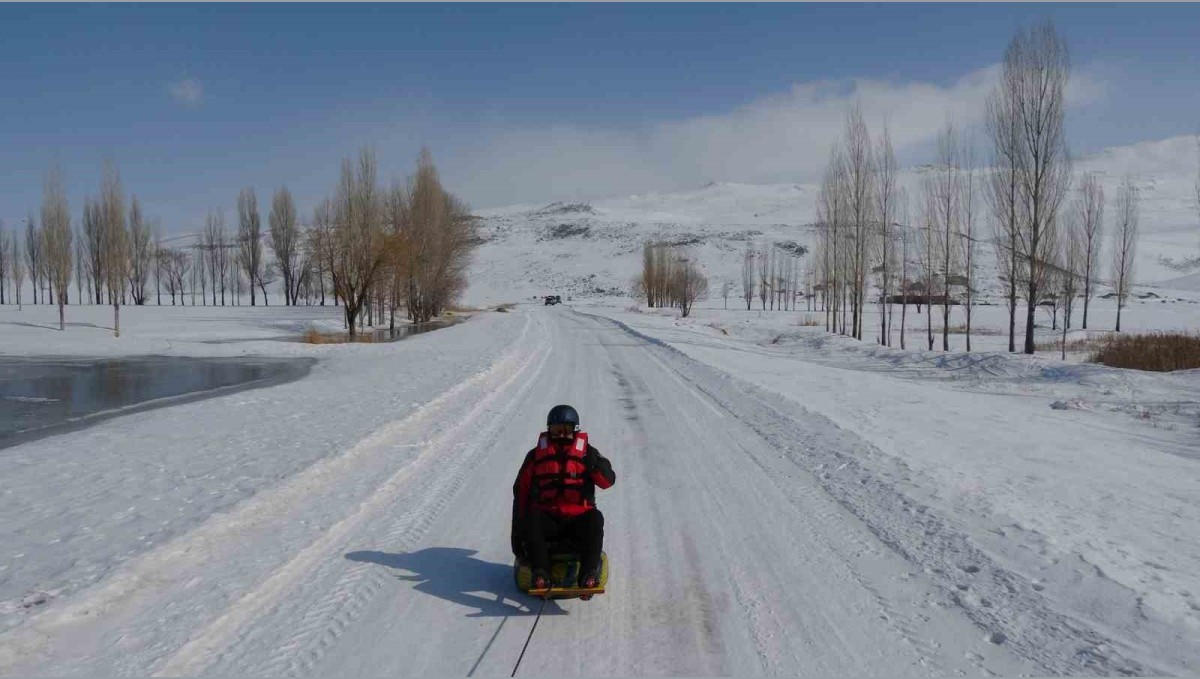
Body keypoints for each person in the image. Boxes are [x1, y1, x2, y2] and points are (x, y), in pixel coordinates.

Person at [512, 404, 615, 593]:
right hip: (548, 520)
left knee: (595, 518)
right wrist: (517, 535)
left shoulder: (588, 453)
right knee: (532, 518)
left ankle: (588, 574)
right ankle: (541, 573)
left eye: (565, 430)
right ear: (548, 429)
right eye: (556, 430)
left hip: (578, 520)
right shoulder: (535, 456)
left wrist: (594, 466)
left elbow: (608, 482)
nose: (560, 435)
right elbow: (520, 493)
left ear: (575, 430)